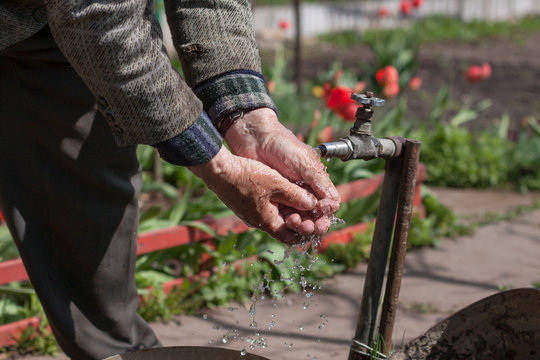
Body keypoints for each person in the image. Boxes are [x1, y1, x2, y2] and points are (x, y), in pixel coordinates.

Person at [0, 0, 340, 359]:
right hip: (85, 14)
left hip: (48, 30)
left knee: (88, 219)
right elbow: (99, 15)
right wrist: (217, 165)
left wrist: (252, 123)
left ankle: (116, 349)